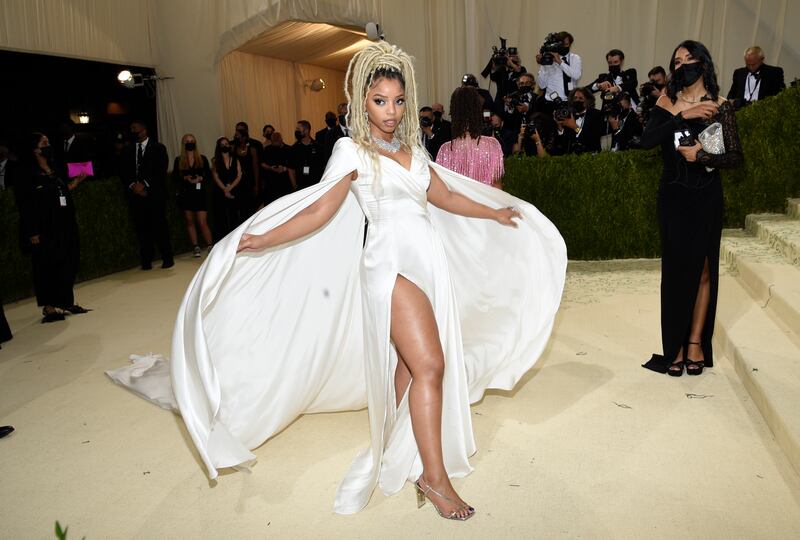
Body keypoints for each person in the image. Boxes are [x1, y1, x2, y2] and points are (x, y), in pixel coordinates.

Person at [108, 41, 566, 519]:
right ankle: (434, 478)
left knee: (409, 367)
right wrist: (265, 238)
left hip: (429, 262)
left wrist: (496, 211)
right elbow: (320, 210)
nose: (391, 111)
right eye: (380, 101)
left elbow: (446, 197)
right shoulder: (350, 149)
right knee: (431, 364)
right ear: (361, 103)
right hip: (388, 266)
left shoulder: (412, 148)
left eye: (398, 100)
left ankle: (398, 445)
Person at [640, 40, 743, 376]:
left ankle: (695, 342)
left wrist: (701, 155)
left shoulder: (722, 105)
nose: (682, 66)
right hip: (672, 197)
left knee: (701, 270)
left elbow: (734, 157)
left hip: (706, 197)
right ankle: (677, 347)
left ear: (703, 63)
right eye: (676, 61)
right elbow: (647, 140)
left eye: (688, 59)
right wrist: (684, 114)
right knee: (674, 272)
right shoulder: (667, 100)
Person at [16, 132, 90, 322]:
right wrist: (32, 230)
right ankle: (49, 307)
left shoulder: (54, 166)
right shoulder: (25, 171)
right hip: (44, 227)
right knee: (46, 265)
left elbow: (60, 191)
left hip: (65, 223)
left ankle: (65, 301)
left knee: (68, 261)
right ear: (34, 148)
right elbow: (25, 204)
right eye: (44, 143)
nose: (48, 145)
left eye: (48, 142)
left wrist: (75, 182)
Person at [122, 121, 173, 270]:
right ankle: (146, 261)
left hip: (155, 195)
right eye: (131, 130)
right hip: (136, 197)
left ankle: (167, 258)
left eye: (136, 130)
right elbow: (124, 171)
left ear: (144, 130)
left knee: (160, 227)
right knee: (141, 229)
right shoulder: (128, 150)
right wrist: (133, 186)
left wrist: (144, 184)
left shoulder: (158, 148)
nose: (134, 132)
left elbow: (160, 170)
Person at [436, 86, 505, 189]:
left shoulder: (444, 150)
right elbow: (497, 185)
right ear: (478, 109)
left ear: (453, 111)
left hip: (456, 205)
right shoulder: (492, 145)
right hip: (487, 203)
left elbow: (442, 190)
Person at [172, 134, 213, 257]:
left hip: (200, 194)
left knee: (202, 221)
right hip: (186, 194)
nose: (190, 143)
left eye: (192, 141)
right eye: (187, 141)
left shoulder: (202, 158)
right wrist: (186, 178)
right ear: (183, 144)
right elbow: (175, 177)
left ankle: (210, 245)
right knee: (190, 221)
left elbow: (208, 176)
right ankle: (196, 247)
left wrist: (201, 178)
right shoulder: (179, 160)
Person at [537, 31, 582, 108]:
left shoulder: (575, 58)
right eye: (562, 45)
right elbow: (542, 85)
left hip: (570, 101)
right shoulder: (548, 58)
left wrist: (560, 62)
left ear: (570, 45)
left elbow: (576, 75)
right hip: (551, 102)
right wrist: (543, 64)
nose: (564, 47)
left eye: (566, 44)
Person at [552, 87, 603, 154]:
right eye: (575, 98)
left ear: (587, 101)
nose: (577, 100)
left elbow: (593, 140)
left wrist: (575, 127)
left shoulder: (596, 115)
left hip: (591, 157)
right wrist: (560, 128)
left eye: (580, 98)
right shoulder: (568, 115)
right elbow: (562, 146)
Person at [210, 137, 242, 240]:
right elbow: (216, 177)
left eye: (227, 143)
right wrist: (225, 189)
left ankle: (235, 238)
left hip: (234, 190)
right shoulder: (215, 161)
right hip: (220, 192)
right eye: (222, 144)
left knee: (234, 216)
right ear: (219, 147)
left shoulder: (235, 159)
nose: (225, 146)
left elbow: (239, 175)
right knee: (221, 217)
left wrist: (230, 187)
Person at [259, 132, 295, 206]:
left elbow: (293, 167)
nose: (274, 144)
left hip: (285, 183)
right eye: (272, 142)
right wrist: (270, 168)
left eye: (276, 142)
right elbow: (262, 163)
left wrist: (284, 168)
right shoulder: (267, 149)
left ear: (281, 140)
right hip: (271, 184)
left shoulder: (289, 149)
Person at [233, 124, 261, 217]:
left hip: (249, 182)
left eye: (237, 136)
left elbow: (255, 168)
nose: (235, 137)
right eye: (235, 135)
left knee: (250, 208)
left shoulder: (252, 150)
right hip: (237, 182)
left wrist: (256, 185)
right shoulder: (233, 149)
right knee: (239, 208)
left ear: (244, 137)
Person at [290, 120, 323, 189]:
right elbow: (291, 169)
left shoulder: (318, 146)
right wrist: (295, 186)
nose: (296, 131)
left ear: (306, 130)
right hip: (300, 186)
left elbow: (323, 166)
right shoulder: (294, 148)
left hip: (316, 185)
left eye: (298, 129)